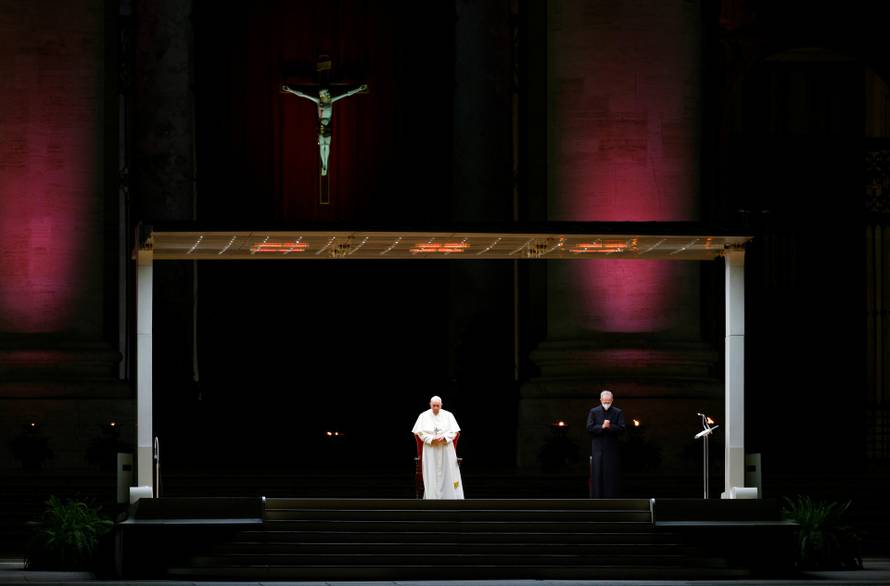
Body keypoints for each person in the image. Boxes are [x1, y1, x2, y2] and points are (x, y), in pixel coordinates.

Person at [280, 83, 368, 176]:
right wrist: (290, 90)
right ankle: (324, 164)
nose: (321, 96)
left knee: (327, 145)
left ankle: (326, 163)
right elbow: (303, 95)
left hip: (328, 126)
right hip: (321, 126)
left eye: (322, 94)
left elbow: (346, 94)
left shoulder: (331, 101)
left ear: (326, 94)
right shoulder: (318, 101)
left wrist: (359, 89)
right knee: (322, 146)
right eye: (320, 95)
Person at [412, 396, 464, 499]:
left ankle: (450, 497)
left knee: (450, 473)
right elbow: (419, 433)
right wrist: (431, 439)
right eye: (434, 405)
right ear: (430, 404)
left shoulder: (449, 415)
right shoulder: (423, 416)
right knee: (432, 473)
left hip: (446, 448)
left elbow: (454, 432)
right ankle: (432, 497)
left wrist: (445, 438)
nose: (435, 408)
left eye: (438, 406)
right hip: (430, 449)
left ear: (441, 405)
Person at [587, 389, 625, 498]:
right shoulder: (594, 411)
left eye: (608, 402)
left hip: (612, 448)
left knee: (611, 474)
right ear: (600, 400)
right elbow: (589, 428)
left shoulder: (618, 412)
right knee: (597, 473)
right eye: (604, 402)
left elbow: (622, 428)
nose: (606, 404)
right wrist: (602, 427)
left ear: (612, 400)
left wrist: (610, 427)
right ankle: (597, 498)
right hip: (597, 448)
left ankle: (611, 498)